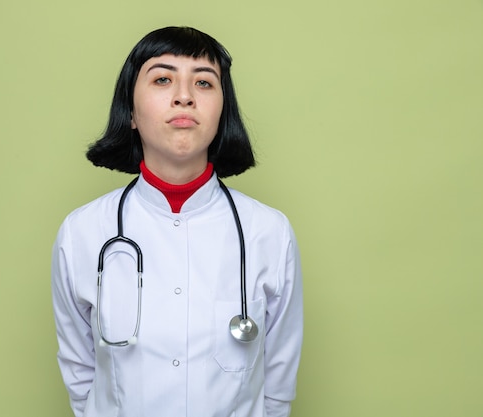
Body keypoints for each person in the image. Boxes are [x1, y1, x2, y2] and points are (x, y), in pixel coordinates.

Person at [51, 26, 303, 417]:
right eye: (163, 79)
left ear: (223, 110)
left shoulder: (268, 233)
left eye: (204, 82)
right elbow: (80, 372)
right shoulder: (83, 232)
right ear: (131, 112)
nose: (184, 96)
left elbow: (278, 385)